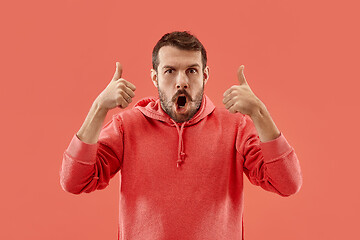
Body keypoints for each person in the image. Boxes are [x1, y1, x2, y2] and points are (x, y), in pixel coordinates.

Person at [60, 31, 303, 240]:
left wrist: (259, 114)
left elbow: (287, 184)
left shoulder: (236, 127)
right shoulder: (127, 126)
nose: (181, 82)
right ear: (155, 77)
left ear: (205, 75)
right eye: (170, 71)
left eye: (191, 70)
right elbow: (74, 181)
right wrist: (99, 108)